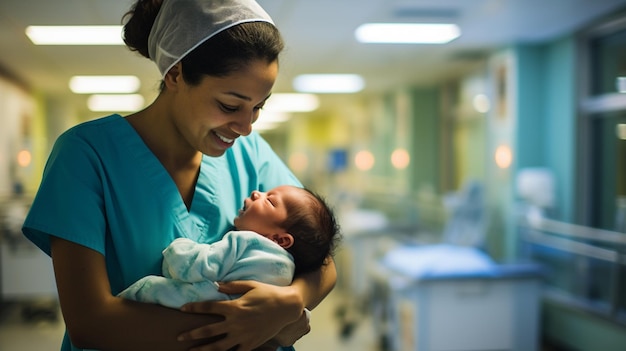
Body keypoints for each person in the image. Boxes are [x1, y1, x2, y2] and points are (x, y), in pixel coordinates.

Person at [21, 1, 337, 350]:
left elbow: (321, 259)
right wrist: (257, 331)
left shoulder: (251, 154)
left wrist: (289, 301)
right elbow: (91, 323)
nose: (246, 127)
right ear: (175, 74)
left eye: (258, 107)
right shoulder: (86, 154)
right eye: (230, 106)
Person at [118, 185, 340, 308]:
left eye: (270, 201)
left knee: (146, 288)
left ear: (280, 240)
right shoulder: (288, 272)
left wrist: (178, 249)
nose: (256, 193)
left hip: (199, 309)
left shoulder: (245, 243)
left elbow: (196, 266)